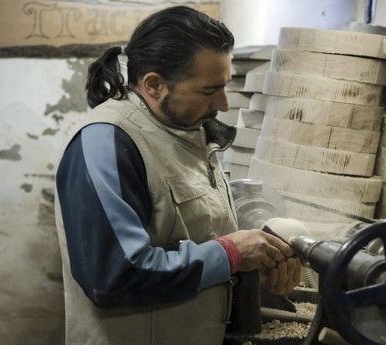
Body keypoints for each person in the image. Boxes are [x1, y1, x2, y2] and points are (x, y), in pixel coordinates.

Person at [54, 5, 301, 345]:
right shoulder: (108, 142)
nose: (224, 104)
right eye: (208, 90)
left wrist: (255, 263)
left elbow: (192, 233)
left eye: (224, 86)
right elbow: (114, 275)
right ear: (154, 85)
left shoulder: (189, 133)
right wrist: (232, 253)